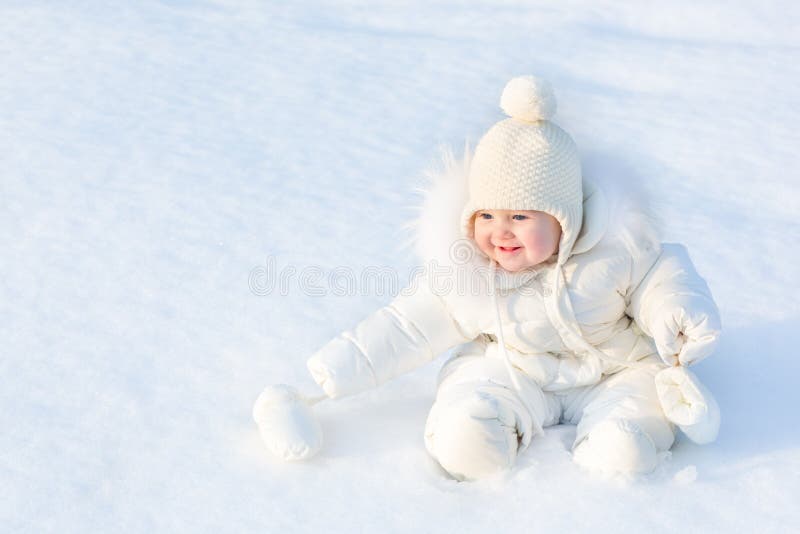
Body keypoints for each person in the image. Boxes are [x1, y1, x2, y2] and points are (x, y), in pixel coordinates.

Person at [254, 76, 722, 480]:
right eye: (487, 215)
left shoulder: (617, 251)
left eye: (521, 215)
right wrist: (327, 377)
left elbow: (666, 281)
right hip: (513, 370)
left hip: (613, 370)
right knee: (465, 434)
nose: (500, 231)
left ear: (566, 220)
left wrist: (679, 315)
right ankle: (471, 437)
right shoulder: (467, 276)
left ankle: (614, 453)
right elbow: (403, 327)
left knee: (627, 444)